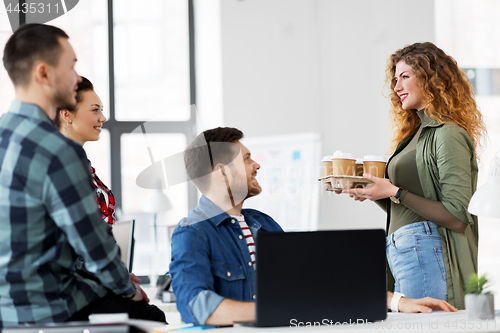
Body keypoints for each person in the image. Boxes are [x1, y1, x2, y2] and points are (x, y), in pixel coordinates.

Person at [170, 127, 457, 327]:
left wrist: (396, 302)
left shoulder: (263, 223)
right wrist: (281, 312)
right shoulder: (192, 232)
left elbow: (315, 283)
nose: (256, 165)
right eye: (246, 158)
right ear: (221, 172)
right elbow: (196, 305)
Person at [0, 23, 165, 328]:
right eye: (72, 66)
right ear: (44, 73)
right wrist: (128, 289)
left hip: (7, 310)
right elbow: (94, 246)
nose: (77, 78)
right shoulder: (57, 150)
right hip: (49, 308)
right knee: (153, 317)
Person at [343, 42, 486, 310]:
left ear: (432, 77)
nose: (396, 87)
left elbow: (457, 217)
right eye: (395, 79)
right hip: (406, 251)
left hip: (424, 251)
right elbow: (409, 207)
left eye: (405, 76)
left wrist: (395, 192)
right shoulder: (413, 136)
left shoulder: (448, 134)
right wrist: (374, 192)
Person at [55, 76, 116, 226]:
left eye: (101, 110)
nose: (103, 117)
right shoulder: (59, 165)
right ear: (66, 114)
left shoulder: (79, 162)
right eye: (95, 110)